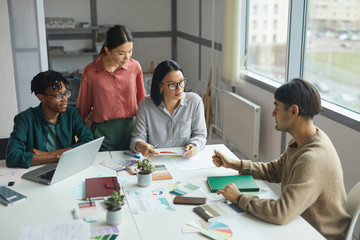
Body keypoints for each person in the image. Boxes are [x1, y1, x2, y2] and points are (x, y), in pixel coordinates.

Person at [212, 78, 351, 240]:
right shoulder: (303, 139)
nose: (273, 113)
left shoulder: (312, 157)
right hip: (299, 223)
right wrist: (234, 164)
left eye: (276, 107)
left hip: (316, 234)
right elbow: (275, 170)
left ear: (293, 111)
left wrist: (239, 198)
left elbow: (281, 213)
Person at [77, 25, 146, 151]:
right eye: (121, 53)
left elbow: (142, 102)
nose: (127, 57)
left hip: (132, 129)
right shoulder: (90, 72)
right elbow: (82, 108)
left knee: (133, 169)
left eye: (130, 51)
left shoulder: (135, 67)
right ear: (107, 50)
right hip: (102, 133)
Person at [6, 70, 94, 168]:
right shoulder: (24, 119)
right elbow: (12, 157)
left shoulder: (72, 114)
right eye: (58, 96)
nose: (65, 99)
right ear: (41, 97)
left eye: (66, 93)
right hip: (37, 170)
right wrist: (56, 157)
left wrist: (46, 155)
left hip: (67, 167)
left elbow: (88, 142)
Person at [130, 60, 207, 158]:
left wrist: (194, 145)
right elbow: (137, 138)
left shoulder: (194, 101)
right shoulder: (146, 104)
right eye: (172, 84)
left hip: (184, 159)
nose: (179, 88)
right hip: (156, 159)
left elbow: (200, 135)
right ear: (160, 86)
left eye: (182, 82)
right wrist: (140, 146)